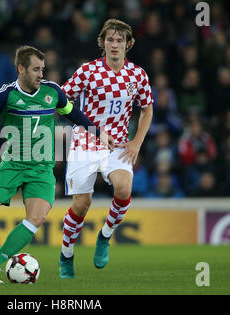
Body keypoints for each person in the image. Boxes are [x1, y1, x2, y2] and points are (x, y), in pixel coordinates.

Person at [0, 45, 114, 284]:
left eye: (42, 69)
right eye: (36, 69)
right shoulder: (8, 94)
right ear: (21, 69)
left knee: (36, 218)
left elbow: (74, 113)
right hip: (12, 165)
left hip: (41, 170)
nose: (40, 74)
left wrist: (98, 133)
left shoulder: (53, 93)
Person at [59, 19, 153, 279]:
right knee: (81, 204)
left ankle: (105, 236)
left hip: (119, 144)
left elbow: (147, 108)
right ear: (102, 43)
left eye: (120, 40)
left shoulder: (138, 75)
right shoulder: (87, 71)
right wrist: (81, 123)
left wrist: (136, 142)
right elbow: (62, 99)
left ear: (128, 44)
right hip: (86, 142)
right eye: (110, 40)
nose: (114, 44)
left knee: (123, 189)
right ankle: (66, 255)